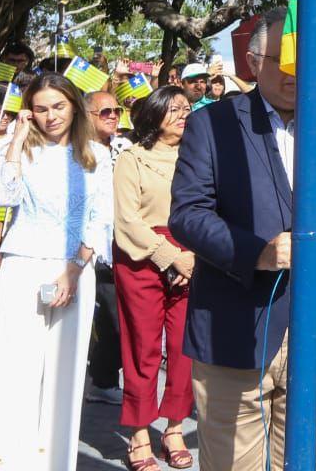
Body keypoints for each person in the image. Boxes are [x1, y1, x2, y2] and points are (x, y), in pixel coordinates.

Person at [168, 8, 316, 471]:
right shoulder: (213, 124)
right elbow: (187, 215)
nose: (294, 72)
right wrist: (258, 254)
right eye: (281, 60)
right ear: (252, 62)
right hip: (236, 331)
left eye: (304, 59)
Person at [0, 72, 113, 470]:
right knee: (16, 370)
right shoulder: (16, 149)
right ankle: (12, 460)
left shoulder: (96, 155)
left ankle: (56, 462)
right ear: (29, 111)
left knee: (66, 375)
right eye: (41, 108)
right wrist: (16, 139)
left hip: (75, 269)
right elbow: (4, 196)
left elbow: (101, 218)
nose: (51, 116)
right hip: (22, 262)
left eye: (58, 106)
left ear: (74, 107)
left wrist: (74, 269)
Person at [112, 86, 197, 470]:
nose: (183, 115)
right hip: (141, 258)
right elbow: (127, 221)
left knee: (183, 348)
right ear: (155, 114)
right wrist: (170, 257)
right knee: (143, 347)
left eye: (187, 108)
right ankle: (139, 432)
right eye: (174, 109)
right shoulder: (132, 158)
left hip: (190, 256)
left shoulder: (198, 157)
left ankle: (174, 428)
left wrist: (193, 257)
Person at [84, 89, 128, 408]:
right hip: (90, 250)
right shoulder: (76, 151)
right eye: (105, 112)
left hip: (122, 244)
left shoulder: (126, 147)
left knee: (120, 320)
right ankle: (102, 380)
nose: (113, 116)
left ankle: (103, 378)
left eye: (117, 111)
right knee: (111, 320)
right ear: (87, 116)